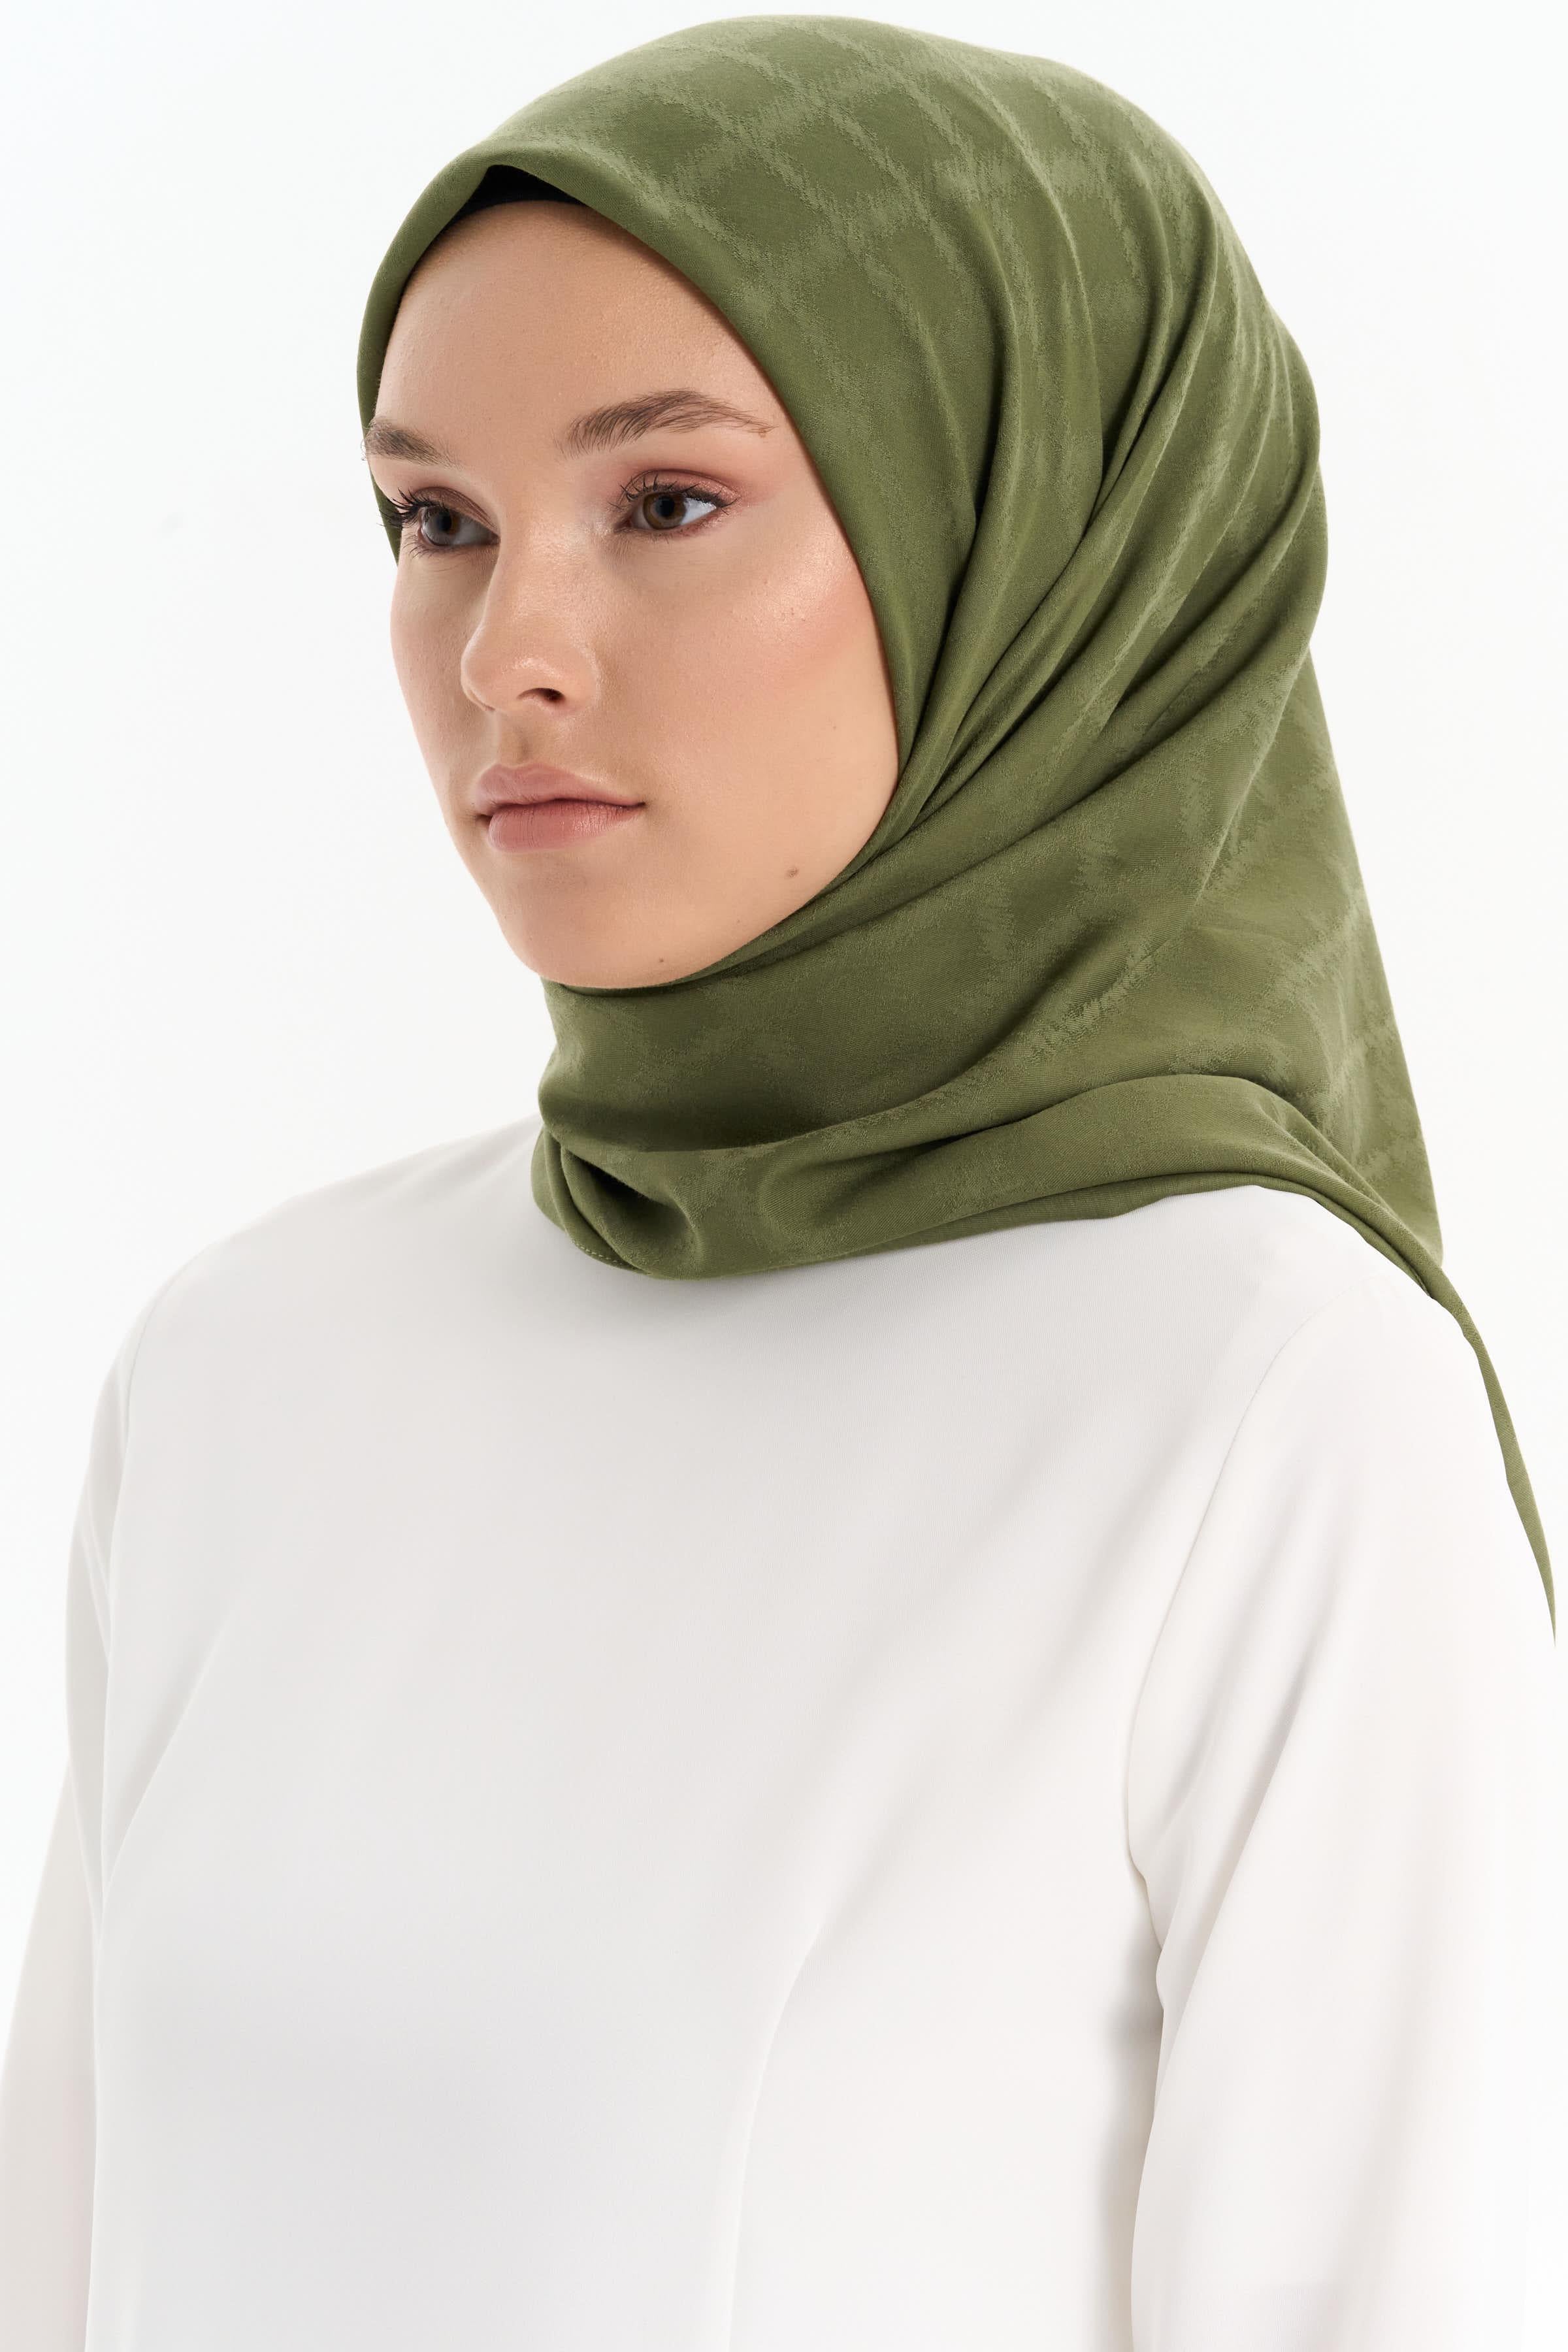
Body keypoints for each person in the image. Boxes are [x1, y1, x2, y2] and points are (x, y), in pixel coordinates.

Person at [0, 14, 1556, 2349]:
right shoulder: (245, 1364)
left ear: (1030, 540)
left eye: (667, 503)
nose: (506, 655)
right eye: (437, 522)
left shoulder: (1271, 1405)